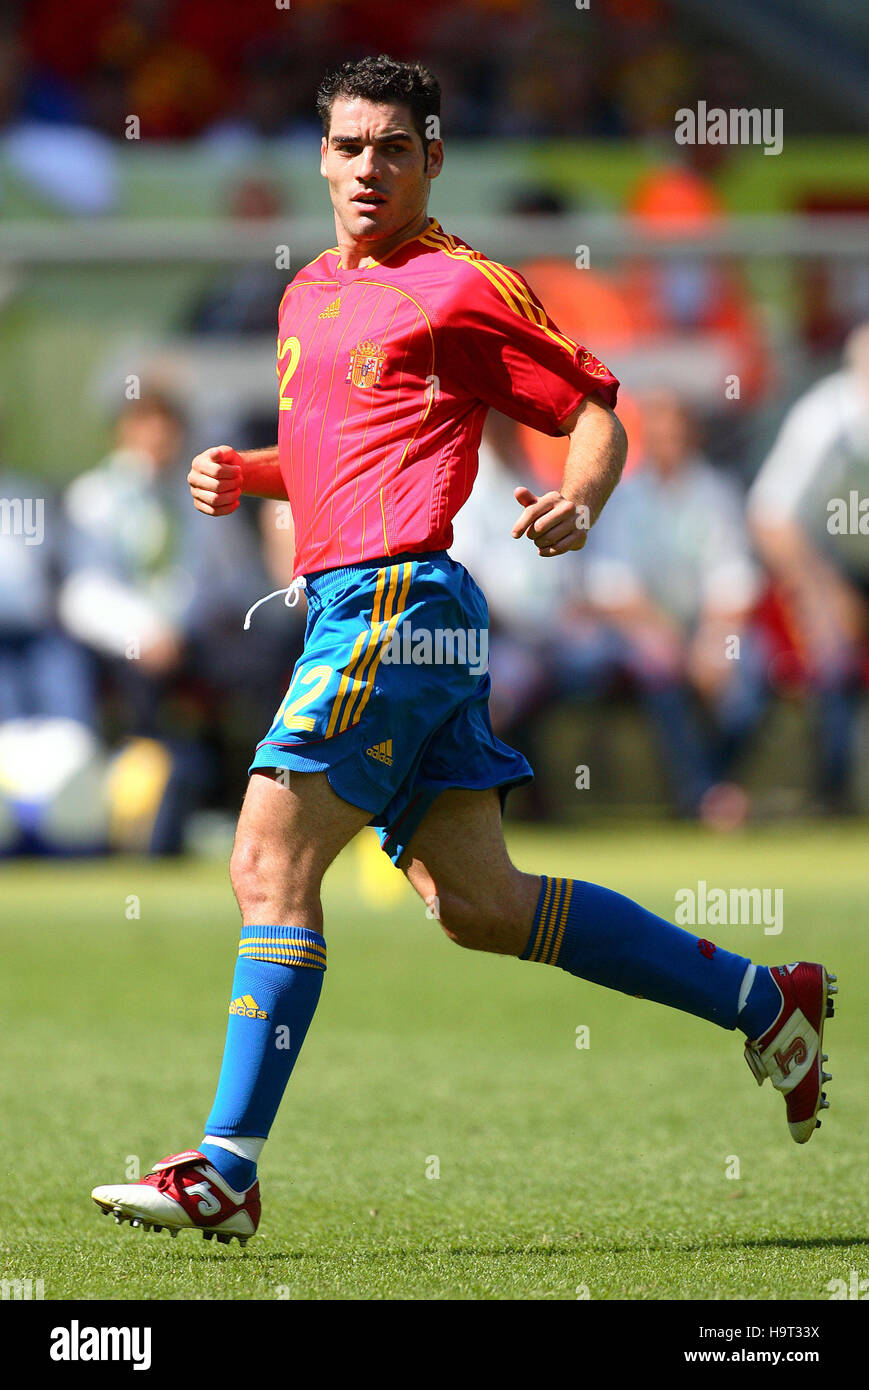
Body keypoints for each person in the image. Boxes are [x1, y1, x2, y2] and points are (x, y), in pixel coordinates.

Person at [91, 56, 836, 1247]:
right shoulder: (304, 299)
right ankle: (761, 1001)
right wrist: (251, 472)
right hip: (369, 605)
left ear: (431, 159)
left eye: (392, 146)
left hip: (398, 599)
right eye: (346, 146)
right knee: (481, 905)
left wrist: (581, 503)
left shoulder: (463, 286)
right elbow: (339, 447)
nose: (366, 167)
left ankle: (225, 1165)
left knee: (266, 858)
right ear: (320, 159)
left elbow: (594, 405)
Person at [583, 389, 767, 827]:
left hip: (706, 628)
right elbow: (613, 587)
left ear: (693, 436)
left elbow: (733, 579)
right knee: (659, 667)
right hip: (644, 632)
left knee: (752, 675)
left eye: (678, 435)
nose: (671, 445)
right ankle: (705, 795)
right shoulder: (623, 498)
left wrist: (712, 642)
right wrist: (669, 639)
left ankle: (713, 790)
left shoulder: (716, 494)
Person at [748, 323, 869, 813]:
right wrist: (823, 594)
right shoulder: (825, 417)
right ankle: (831, 797)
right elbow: (771, 517)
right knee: (831, 659)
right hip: (826, 566)